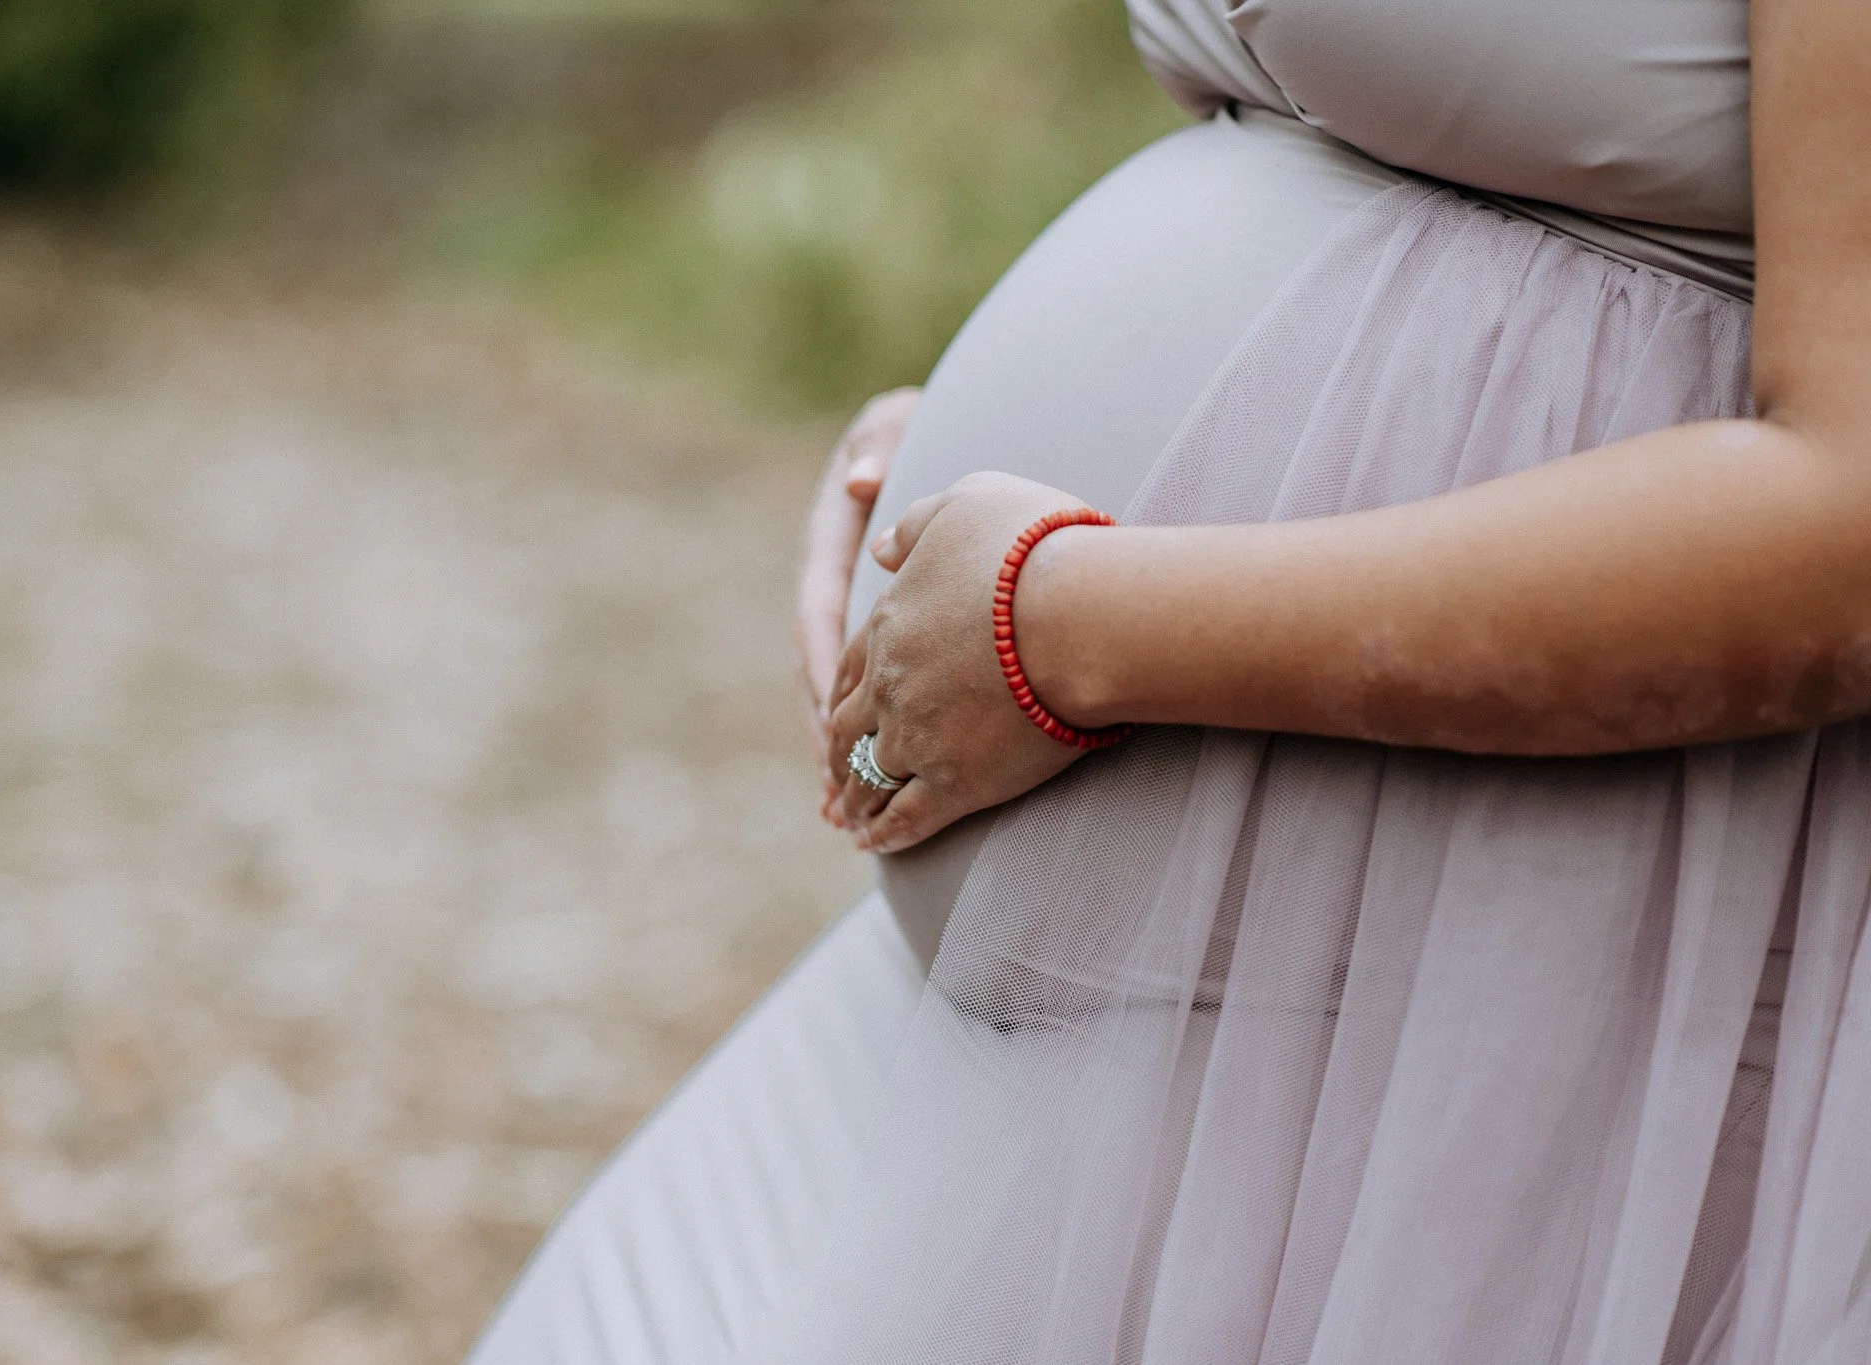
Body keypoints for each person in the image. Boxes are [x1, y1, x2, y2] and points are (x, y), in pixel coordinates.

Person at [471, 0, 1871, 1360]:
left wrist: (1060, 626)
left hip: (1479, 1002)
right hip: (1102, 993)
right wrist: (972, 450)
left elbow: (1850, 529)